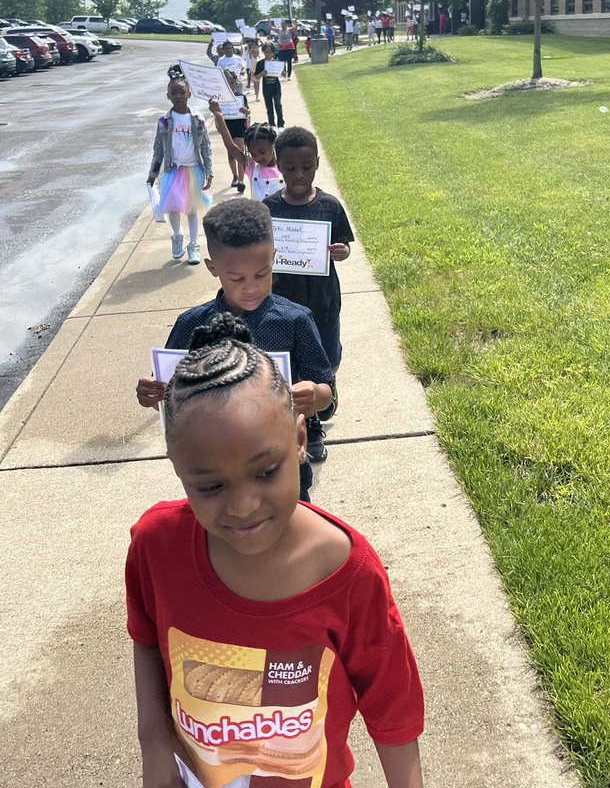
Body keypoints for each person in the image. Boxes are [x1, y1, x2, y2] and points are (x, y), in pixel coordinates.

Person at [127, 311, 425, 788]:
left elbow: (393, 710)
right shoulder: (155, 545)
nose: (243, 506)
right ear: (178, 467)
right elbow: (144, 634)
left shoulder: (347, 571)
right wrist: (154, 743)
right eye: (210, 485)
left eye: (266, 472)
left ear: (301, 439)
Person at [134, 199, 337, 501]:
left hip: (281, 467)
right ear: (213, 268)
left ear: (274, 258)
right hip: (214, 473)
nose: (251, 287)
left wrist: (314, 395)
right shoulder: (192, 324)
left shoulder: (295, 320)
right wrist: (151, 395)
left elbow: (328, 397)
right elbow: (166, 394)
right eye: (237, 278)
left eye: (261, 273)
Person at [264, 127, 353, 463]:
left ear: (317, 163)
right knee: (295, 368)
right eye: (290, 168)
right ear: (278, 165)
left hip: (324, 304)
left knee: (328, 361)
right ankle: (310, 426)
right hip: (283, 306)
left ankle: (326, 387)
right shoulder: (268, 208)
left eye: (306, 166)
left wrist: (341, 252)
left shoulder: (329, 207)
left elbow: (343, 245)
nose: (299, 174)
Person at [147, 78, 213, 264]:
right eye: (174, 93)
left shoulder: (198, 121)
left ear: (189, 94)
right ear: (168, 96)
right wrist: (153, 174)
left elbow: (206, 148)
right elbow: (158, 150)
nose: (178, 96)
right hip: (172, 171)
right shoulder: (164, 122)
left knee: (192, 209)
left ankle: (193, 245)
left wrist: (209, 171)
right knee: (173, 207)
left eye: (181, 92)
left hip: (194, 170)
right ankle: (177, 235)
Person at [208, 109, 285, 202]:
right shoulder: (252, 167)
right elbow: (231, 147)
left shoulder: (285, 167)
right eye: (253, 154)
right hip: (259, 215)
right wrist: (219, 117)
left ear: (273, 145)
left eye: (262, 152)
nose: (258, 158)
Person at [215, 67, 250, 190]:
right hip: (227, 127)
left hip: (239, 126)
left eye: (231, 82)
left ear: (235, 83)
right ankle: (234, 176)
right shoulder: (218, 99)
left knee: (239, 152)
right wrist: (218, 125)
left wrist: (246, 111)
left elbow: (248, 111)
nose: (229, 85)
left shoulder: (241, 97)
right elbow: (216, 115)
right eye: (225, 83)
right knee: (230, 154)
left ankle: (241, 180)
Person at [256, 41, 285, 128]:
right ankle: (271, 123)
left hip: (276, 87)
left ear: (273, 52)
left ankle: (280, 124)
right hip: (266, 87)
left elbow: (284, 74)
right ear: (263, 52)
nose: (268, 54)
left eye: (270, 52)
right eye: (266, 52)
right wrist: (262, 74)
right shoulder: (260, 63)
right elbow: (256, 77)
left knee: (278, 105)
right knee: (269, 107)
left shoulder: (277, 62)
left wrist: (283, 73)